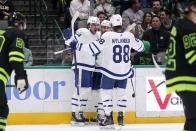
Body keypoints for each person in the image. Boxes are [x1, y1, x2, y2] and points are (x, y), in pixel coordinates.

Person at [75, 14, 149, 128]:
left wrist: (77, 45)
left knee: (106, 94)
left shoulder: (107, 35)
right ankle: (121, 118)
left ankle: (109, 118)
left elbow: (91, 49)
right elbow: (142, 47)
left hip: (109, 72)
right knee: (122, 95)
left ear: (112, 24)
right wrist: (142, 42)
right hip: (124, 72)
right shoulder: (129, 35)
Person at [165, 0, 196, 130]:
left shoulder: (181, 24)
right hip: (187, 80)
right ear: (193, 7)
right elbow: (193, 56)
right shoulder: (188, 26)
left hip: (182, 79)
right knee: (193, 120)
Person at [65, 16, 100, 125]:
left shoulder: (98, 36)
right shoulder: (83, 31)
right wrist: (68, 38)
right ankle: (74, 114)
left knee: (87, 90)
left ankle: (80, 111)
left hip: (90, 66)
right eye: (93, 25)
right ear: (89, 25)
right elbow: (70, 42)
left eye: (96, 25)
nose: (95, 27)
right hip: (80, 65)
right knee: (80, 90)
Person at [0, 12, 29, 131]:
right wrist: (20, 76)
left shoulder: (3, 33)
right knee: (2, 110)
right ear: (20, 24)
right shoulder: (17, 33)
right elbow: (15, 58)